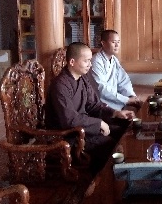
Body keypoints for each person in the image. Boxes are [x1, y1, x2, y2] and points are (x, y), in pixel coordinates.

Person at [45, 42, 135, 174]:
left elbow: (94, 105)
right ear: (72, 62)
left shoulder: (82, 79)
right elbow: (68, 120)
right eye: (86, 61)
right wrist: (98, 123)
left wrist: (116, 113)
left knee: (124, 129)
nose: (90, 64)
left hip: (84, 126)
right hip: (68, 134)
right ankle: (99, 181)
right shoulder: (60, 85)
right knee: (110, 145)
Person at [89, 30, 142, 110]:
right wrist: (127, 100)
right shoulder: (96, 61)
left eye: (118, 42)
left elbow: (123, 80)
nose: (117, 45)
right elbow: (101, 88)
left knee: (139, 106)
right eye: (113, 42)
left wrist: (131, 96)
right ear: (103, 43)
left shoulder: (114, 60)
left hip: (115, 99)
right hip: (102, 103)